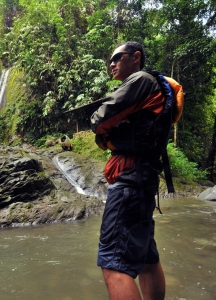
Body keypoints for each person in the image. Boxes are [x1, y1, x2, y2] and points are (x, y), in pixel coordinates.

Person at [90, 41, 166, 300]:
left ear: (135, 57)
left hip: (130, 180)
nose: (111, 63)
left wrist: (105, 135)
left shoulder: (140, 80)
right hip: (142, 179)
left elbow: (99, 119)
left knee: (113, 263)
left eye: (117, 57)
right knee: (145, 257)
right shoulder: (148, 87)